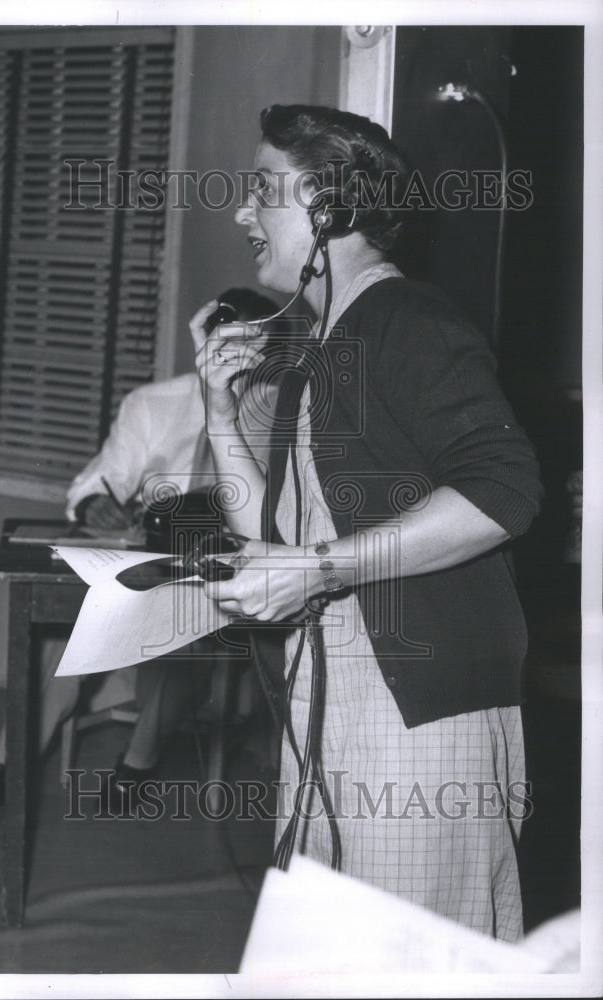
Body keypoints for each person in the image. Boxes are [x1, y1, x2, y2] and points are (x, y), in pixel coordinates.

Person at [189, 105, 542, 941]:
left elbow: (504, 490)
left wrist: (318, 569)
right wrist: (218, 416)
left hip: (417, 712)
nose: (242, 213)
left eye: (263, 191)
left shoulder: (407, 321)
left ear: (331, 207)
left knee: (415, 959)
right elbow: (271, 537)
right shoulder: (322, 345)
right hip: (332, 692)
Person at [0, 287, 278, 826]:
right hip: (149, 553)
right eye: (229, 346)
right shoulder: (153, 403)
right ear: (207, 343)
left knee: (191, 633)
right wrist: (97, 503)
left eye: (255, 349)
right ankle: (3, 771)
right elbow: (98, 479)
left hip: (231, 568)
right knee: (71, 638)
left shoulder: (288, 415)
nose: (239, 362)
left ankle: (135, 768)